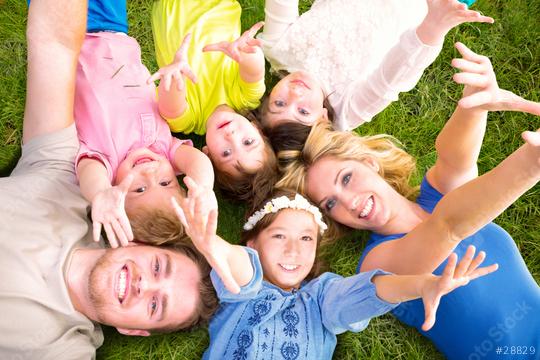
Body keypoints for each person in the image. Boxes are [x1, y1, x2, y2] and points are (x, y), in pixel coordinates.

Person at [277, 43, 540, 359]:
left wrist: (474, 102)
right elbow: (447, 227)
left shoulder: (436, 196)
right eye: (330, 204)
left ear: (369, 163)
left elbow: (455, 159)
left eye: (346, 178)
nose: (349, 201)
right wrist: (529, 165)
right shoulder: (377, 263)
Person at [0, 1, 217, 358]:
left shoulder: (63, 348)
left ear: (132, 330)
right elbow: (53, 44)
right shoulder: (63, 177)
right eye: (158, 266)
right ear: (136, 244)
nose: (144, 284)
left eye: (154, 306)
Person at [171, 184, 497, 360]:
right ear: (253, 243)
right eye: (279, 236)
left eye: (306, 239)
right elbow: (237, 266)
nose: (294, 250)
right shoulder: (243, 284)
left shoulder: (321, 297)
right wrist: (212, 245)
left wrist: (421, 285)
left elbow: (365, 294)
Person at [74, 0, 219, 248]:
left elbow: (88, 171)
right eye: (165, 183)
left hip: (73, 38)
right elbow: (197, 161)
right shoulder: (165, 152)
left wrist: (100, 194)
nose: (150, 173)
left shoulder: (107, 162)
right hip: (113, 28)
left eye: (139, 189)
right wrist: (204, 189)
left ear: (115, 190)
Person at [257, 0, 494, 132]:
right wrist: (435, 25)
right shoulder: (346, 110)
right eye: (302, 111)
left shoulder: (278, 49)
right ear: (321, 119)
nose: (295, 94)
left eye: (279, 103)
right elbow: (394, 76)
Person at [151, 0, 277, 200]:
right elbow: (254, 74)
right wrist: (246, 54)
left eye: (226, 153)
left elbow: (170, 109)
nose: (231, 136)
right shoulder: (245, 98)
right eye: (248, 141)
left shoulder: (190, 119)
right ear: (257, 129)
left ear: (207, 153)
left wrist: (175, 76)